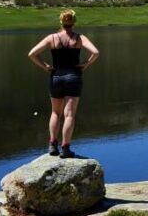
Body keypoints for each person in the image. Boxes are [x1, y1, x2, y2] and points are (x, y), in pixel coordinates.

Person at [28, 9, 100, 158]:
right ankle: (65, 148)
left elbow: (32, 54)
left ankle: (52, 145)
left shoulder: (52, 38)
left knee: (55, 113)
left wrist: (45, 66)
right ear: (74, 22)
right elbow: (96, 52)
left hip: (56, 77)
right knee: (69, 115)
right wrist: (85, 64)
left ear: (61, 22)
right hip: (73, 77)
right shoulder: (79, 38)